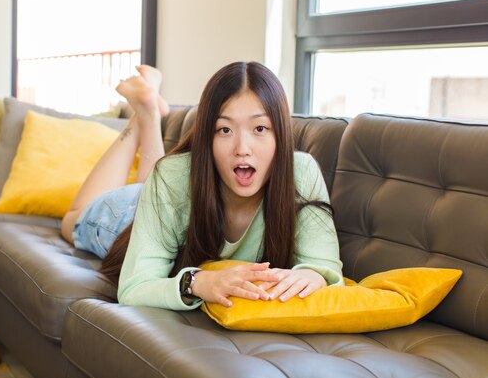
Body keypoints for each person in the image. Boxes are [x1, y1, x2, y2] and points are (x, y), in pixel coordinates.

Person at [61, 61, 343, 311]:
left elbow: (326, 268)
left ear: (280, 134)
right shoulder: (172, 178)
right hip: (127, 217)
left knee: (160, 181)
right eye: (225, 130)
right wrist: (198, 282)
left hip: (168, 203)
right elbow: (134, 287)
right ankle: (141, 117)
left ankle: (148, 111)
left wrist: (313, 275)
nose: (242, 149)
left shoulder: (301, 171)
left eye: (260, 129)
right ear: (206, 138)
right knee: (72, 218)